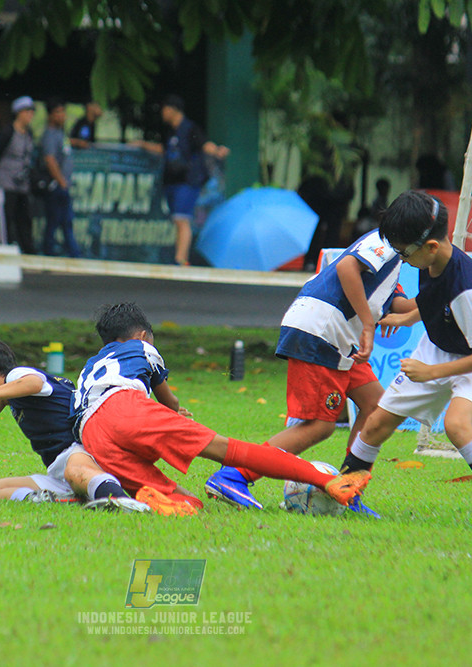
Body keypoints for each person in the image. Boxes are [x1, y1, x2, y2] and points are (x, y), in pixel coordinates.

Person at [339, 190, 472, 535]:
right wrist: (408, 317)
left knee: (457, 425)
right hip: (438, 347)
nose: (401, 258)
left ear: (429, 247)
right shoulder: (432, 260)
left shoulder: (466, 288)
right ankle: (344, 496)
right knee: (376, 424)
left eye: (403, 253)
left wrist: (431, 373)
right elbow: (431, 299)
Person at [70, 303, 373, 516]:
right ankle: (325, 480)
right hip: (124, 407)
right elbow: (169, 400)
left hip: (92, 435)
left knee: (188, 503)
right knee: (229, 450)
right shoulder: (141, 348)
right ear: (142, 336)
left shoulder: (89, 366)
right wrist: (175, 412)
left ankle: (153, 504)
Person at [204, 229, 416, 513]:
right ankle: (234, 475)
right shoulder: (384, 241)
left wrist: (441, 295)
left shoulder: (397, 260)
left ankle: (347, 488)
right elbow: (346, 266)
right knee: (319, 426)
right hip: (323, 331)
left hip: (342, 340)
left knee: (377, 407)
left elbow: (400, 305)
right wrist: (368, 322)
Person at [0, 333, 149, 512]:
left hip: (82, 452)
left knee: (76, 471)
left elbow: (34, 383)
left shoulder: (17, 375)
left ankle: (120, 501)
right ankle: (64, 499)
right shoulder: (13, 396)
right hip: (59, 469)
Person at [131, 95, 229, 265]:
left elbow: (204, 145)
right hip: (171, 182)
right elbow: (163, 149)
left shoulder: (190, 129)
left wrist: (217, 151)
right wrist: (142, 144)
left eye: (164, 108)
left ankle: (181, 259)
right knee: (177, 219)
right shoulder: (171, 132)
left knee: (181, 219)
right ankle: (179, 257)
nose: (162, 112)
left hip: (187, 181)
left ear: (172, 109)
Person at [0, 95, 37, 254]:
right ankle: (6, 248)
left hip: (22, 184)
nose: (30, 115)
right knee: (6, 217)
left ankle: (27, 250)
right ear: (19, 113)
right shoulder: (8, 132)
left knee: (25, 217)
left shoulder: (29, 134)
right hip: (6, 182)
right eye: (27, 112)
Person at [38, 97, 82, 258]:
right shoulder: (49, 134)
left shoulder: (60, 133)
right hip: (56, 186)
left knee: (66, 222)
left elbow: (63, 146)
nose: (62, 115)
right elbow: (50, 159)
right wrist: (61, 181)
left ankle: (74, 255)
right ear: (50, 115)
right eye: (58, 112)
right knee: (54, 221)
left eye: (63, 111)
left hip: (63, 185)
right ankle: (49, 253)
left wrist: (77, 142)